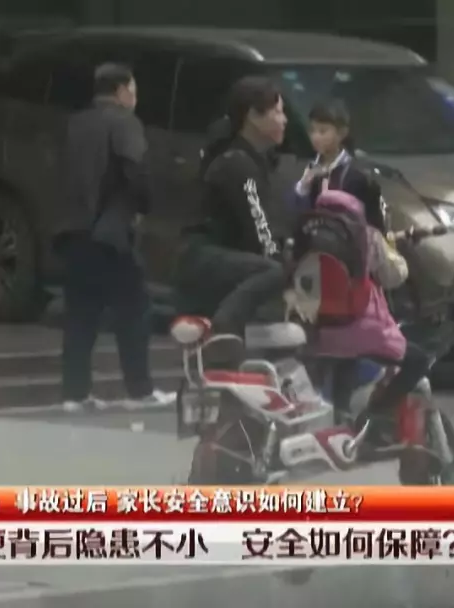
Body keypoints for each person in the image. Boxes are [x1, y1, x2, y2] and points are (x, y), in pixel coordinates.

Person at [56, 63, 174, 412]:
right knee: (134, 309)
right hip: (110, 232)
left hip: (73, 230)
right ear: (122, 91)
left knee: (80, 315)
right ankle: (139, 390)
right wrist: (143, 205)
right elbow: (134, 170)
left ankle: (74, 393)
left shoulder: (75, 124)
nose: (135, 99)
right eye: (133, 91)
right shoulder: (124, 122)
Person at [289, 189, 429, 442]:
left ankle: (340, 422)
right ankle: (376, 412)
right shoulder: (367, 235)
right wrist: (391, 249)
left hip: (316, 331)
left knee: (343, 359)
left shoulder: (306, 233)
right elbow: (394, 276)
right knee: (418, 360)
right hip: (360, 330)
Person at [175, 76, 290, 338]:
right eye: (277, 112)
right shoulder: (238, 164)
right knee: (273, 271)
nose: (284, 120)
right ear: (253, 116)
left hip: (219, 259)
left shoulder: (253, 160)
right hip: (202, 259)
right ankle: (223, 326)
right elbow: (260, 232)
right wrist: (286, 271)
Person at [294, 99, 388, 231]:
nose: (315, 137)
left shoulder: (357, 175)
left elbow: (372, 221)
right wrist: (304, 186)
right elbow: (298, 214)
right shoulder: (308, 169)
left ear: (342, 133)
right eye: (312, 131)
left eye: (322, 131)